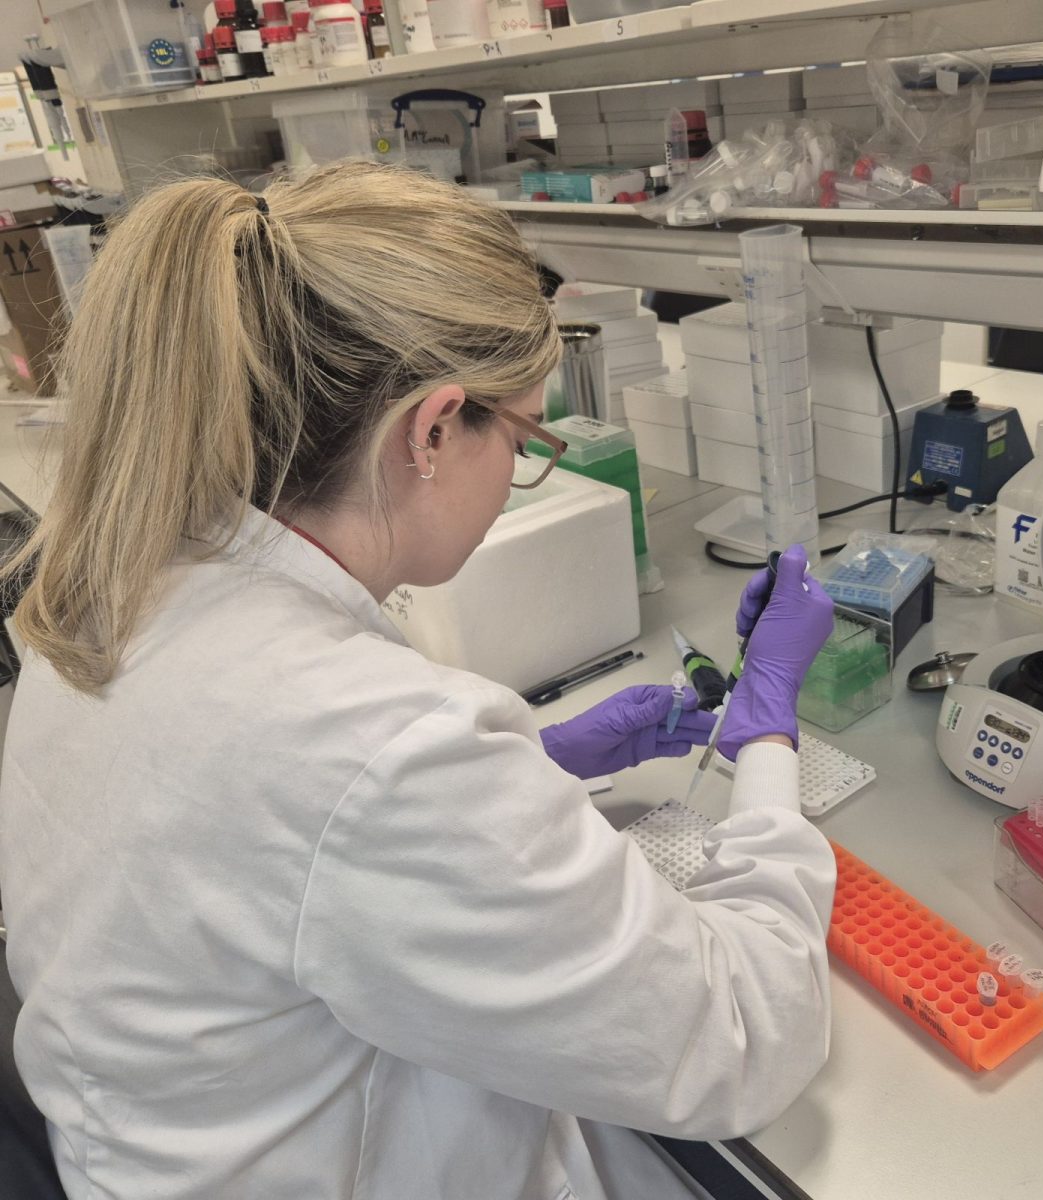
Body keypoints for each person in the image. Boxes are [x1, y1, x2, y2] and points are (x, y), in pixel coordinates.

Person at [0, 163, 836, 1200]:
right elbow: (744, 1039)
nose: (523, 470)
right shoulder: (367, 743)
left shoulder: (103, 586)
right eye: (527, 439)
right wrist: (767, 740)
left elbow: (258, 850)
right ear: (434, 431)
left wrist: (529, 769)